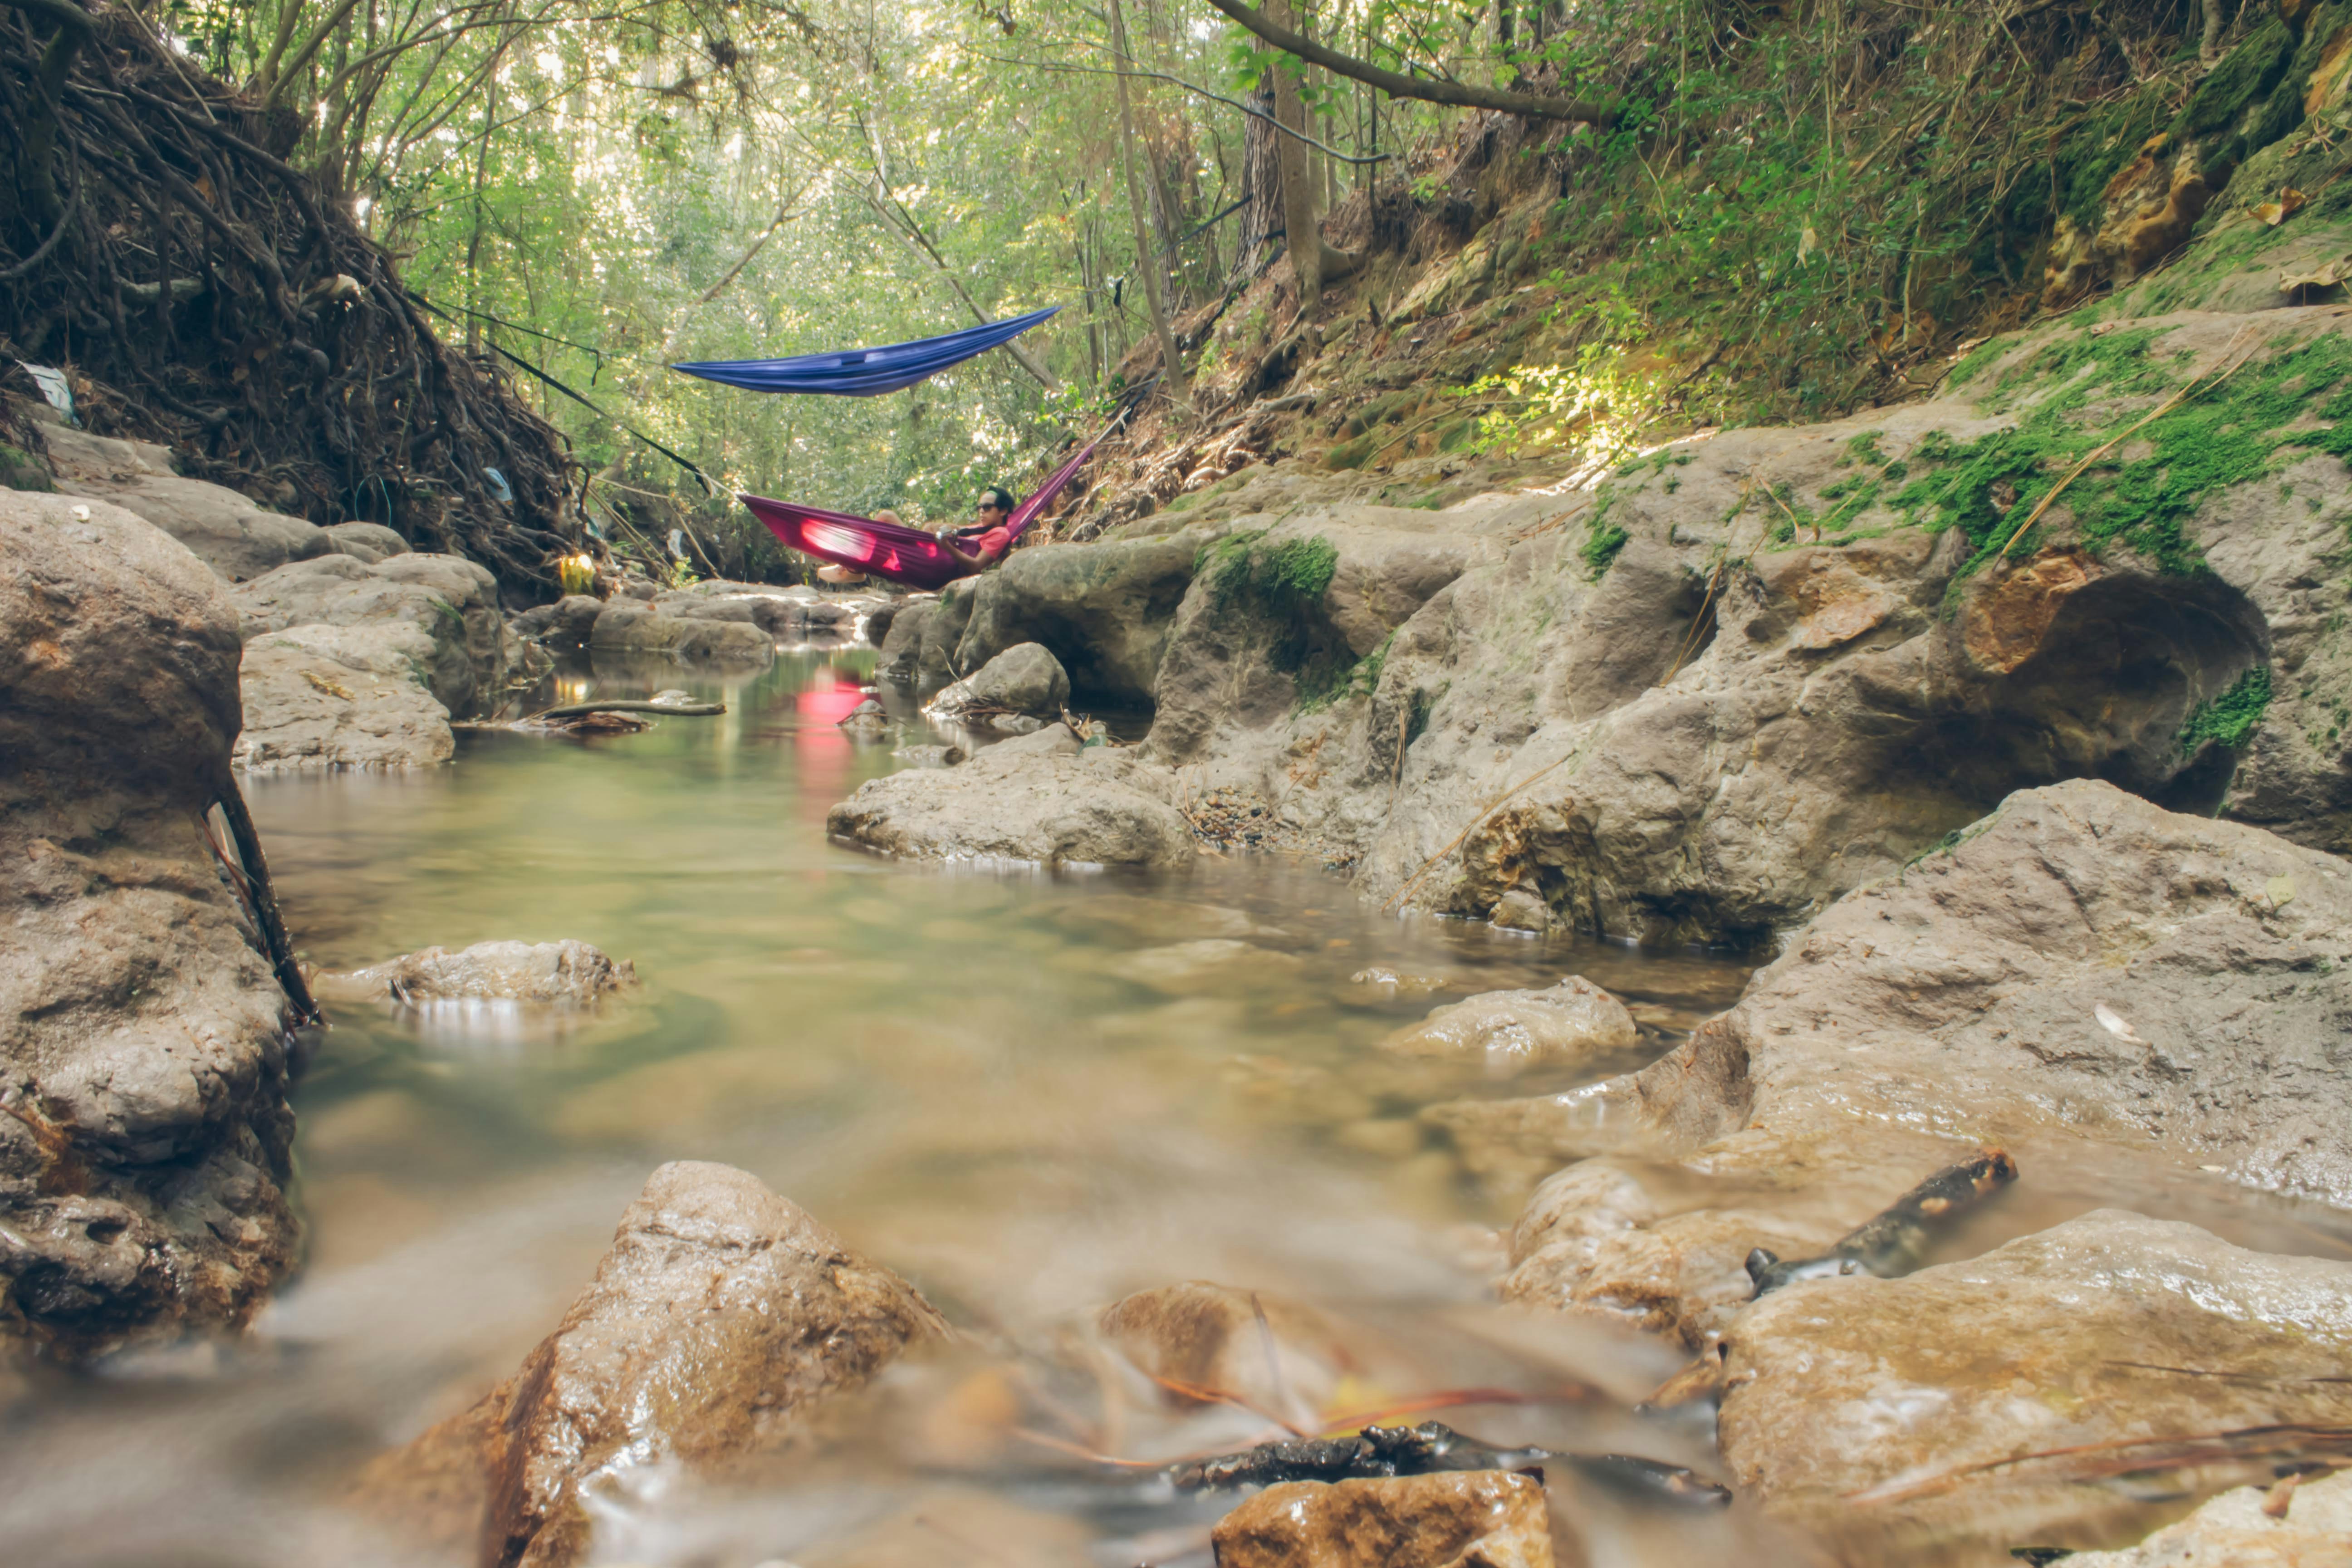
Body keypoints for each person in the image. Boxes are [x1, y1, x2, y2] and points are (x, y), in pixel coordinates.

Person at [938, 486, 1017, 575]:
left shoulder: (1001, 534)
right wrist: (936, 528)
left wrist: (946, 545)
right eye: (979, 508)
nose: (982, 511)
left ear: (1003, 511)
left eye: (987, 507)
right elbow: (959, 529)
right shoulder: (981, 528)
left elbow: (976, 565)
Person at [816, 508, 906, 586]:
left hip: (918, 564)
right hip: (916, 563)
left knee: (887, 517)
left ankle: (854, 567)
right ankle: (855, 566)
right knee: (886, 525)